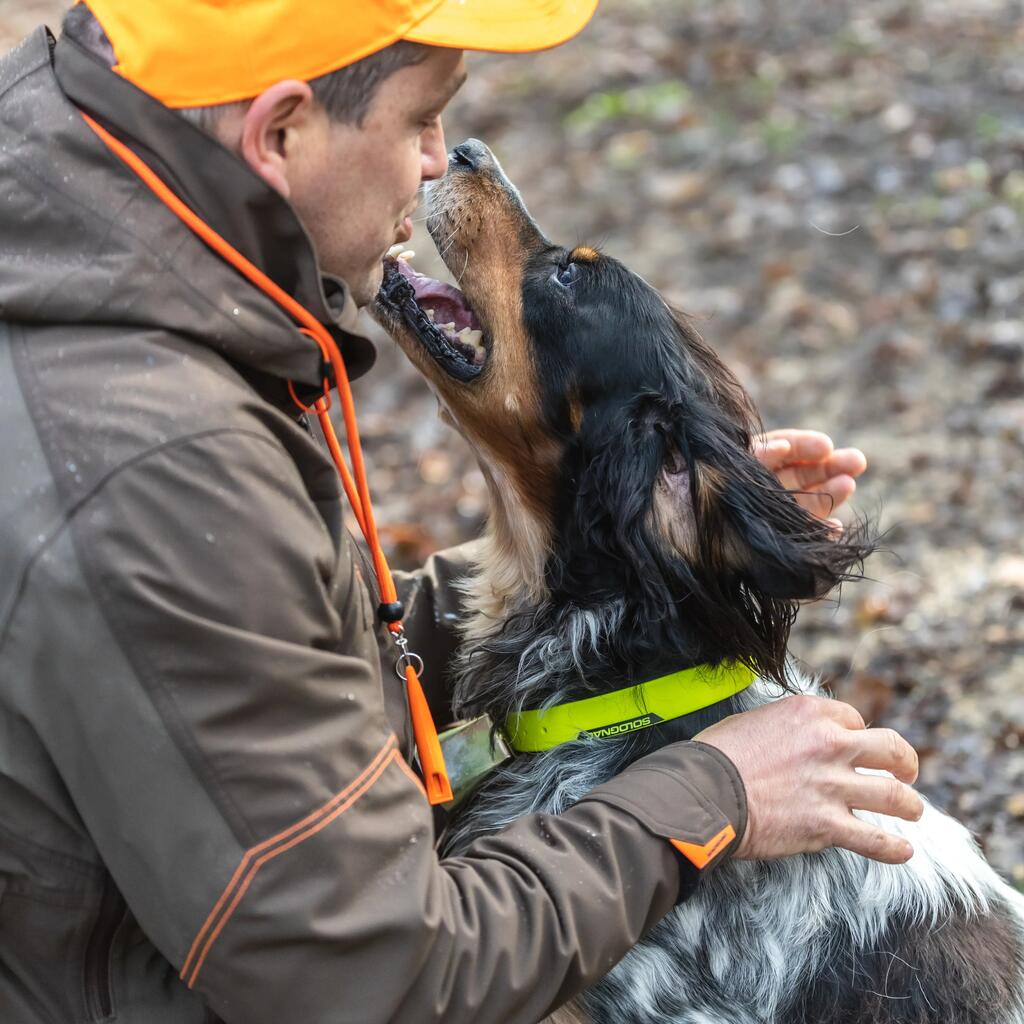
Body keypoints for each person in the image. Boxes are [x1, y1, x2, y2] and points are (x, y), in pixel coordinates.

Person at [0, 2, 923, 1022]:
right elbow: (378, 976)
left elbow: (238, 659)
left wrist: (628, 554)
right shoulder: (155, 458)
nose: (439, 162)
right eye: (418, 123)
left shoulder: (123, 291)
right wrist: (712, 793)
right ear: (279, 134)